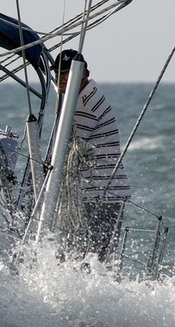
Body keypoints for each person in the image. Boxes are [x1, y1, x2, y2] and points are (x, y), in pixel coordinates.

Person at [53, 48, 130, 261]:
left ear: (83, 74)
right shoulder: (86, 94)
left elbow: (72, 148)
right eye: (57, 74)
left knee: (95, 257)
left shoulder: (84, 105)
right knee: (91, 255)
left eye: (66, 74)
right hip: (99, 191)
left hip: (103, 193)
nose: (60, 79)